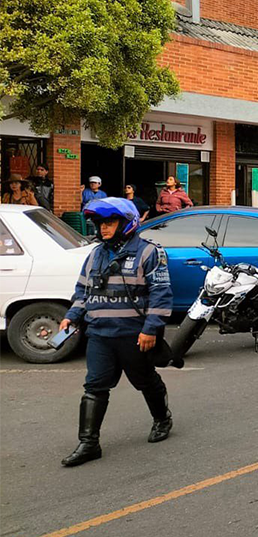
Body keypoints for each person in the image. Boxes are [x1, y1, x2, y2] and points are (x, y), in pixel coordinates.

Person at [59, 198, 174, 467]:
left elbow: (161, 294)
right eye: (100, 224)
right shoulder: (95, 254)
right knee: (94, 387)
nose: (104, 228)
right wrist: (71, 316)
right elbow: (83, 291)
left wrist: (151, 329)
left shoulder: (150, 253)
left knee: (145, 381)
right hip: (99, 334)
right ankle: (88, 443)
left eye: (109, 222)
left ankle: (162, 419)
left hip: (134, 334)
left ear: (126, 223)